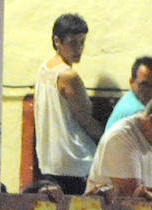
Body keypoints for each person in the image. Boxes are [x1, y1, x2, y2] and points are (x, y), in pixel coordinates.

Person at [34, 13, 103, 195]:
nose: (78, 49)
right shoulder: (68, 76)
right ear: (57, 41)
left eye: (82, 42)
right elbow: (86, 121)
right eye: (73, 43)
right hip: (76, 160)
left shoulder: (43, 69)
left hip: (50, 161)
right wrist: (107, 141)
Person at [105, 56, 152, 132]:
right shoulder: (137, 113)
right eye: (144, 84)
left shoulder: (130, 97)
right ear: (131, 82)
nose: (151, 90)